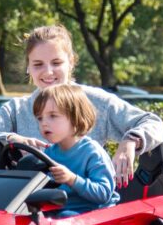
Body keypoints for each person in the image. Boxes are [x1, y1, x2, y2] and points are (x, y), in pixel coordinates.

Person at [0, 24, 163, 189]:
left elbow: (153, 123)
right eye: (38, 64)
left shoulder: (95, 101)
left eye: (56, 63)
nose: (48, 72)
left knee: (31, 162)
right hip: (16, 200)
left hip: (73, 195)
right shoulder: (17, 108)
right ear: (28, 68)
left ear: (71, 62)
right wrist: (14, 139)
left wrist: (130, 141)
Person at [33, 84, 118, 217]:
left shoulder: (92, 152)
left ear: (75, 118)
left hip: (96, 215)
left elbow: (104, 193)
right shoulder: (48, 154)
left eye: (53, 116)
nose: (44, 123)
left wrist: (72, 179)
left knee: (64, 217)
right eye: (40, 118)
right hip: (60, 210)